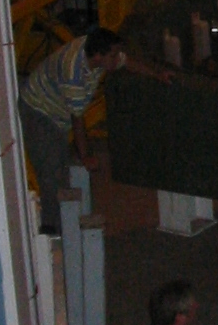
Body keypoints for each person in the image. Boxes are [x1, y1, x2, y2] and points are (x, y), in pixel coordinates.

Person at [18, 27, 166, 233]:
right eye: (113, 55)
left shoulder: (94, 53)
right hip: (39, 112)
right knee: (51, 173)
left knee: (60, 167)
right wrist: (86, 155)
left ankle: (67, 225)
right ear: (97, 56)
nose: (117, 58)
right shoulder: (74, 74)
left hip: (57, 109)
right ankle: (52, 231)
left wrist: (157, 75)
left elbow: (126, 61)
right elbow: (78, 121)